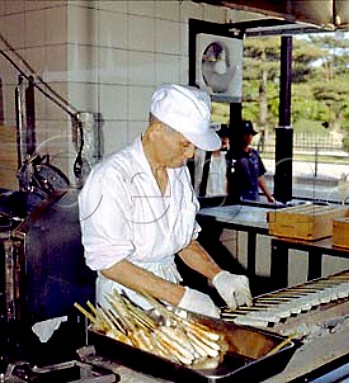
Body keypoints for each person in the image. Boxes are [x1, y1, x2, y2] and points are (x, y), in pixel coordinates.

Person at [78, 84, 252, 319]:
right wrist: (182, 297)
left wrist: (218, 275)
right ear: (156, 130)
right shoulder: (111, 177)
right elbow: (109, 263)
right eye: (185, 143)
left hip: (169, 293)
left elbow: (183, 241)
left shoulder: (177, 171)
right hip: (125, 305)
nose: (191, 154)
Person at [228, 120, 275, 203]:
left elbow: (259, 176)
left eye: (250, 134)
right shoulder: (232, 156)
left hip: (253, 197)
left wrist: (269, 196)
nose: (249, 137)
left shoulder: (254, 154)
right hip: (239, 198)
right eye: (246, 134)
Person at [194, 124, 229, 197]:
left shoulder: (226, 157)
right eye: (221, 136)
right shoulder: (200, 155)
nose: (224, 139)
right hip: (204, 200)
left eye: (227, 136)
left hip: (221, 201)